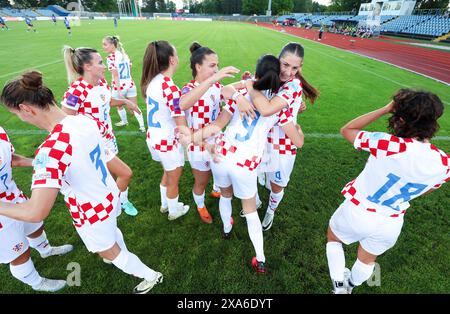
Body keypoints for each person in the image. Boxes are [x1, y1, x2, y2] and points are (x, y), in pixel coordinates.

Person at [0, 71, 163, 294]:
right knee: (112, 234)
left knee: (107, 250)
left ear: (26, 109)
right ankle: (116, 250)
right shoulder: (83, 120)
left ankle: (150, 276)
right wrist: (35, 163)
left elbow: (35, 211)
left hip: (90, 211)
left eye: (16, 114)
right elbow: (98, 161)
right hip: (108, 195)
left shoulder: (50, 150)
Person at [182, 54, 304, 274]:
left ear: (256, 73)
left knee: (225, 195)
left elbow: (217, 125)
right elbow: (295, 137)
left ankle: (227, 229)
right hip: (245, 163)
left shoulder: (240, 94)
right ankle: (260, 258)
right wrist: (299, 130)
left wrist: (191, 137)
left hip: (222, 155)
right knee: (250, 211)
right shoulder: (277, 104)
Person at [326, 89, 448, 294]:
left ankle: (339, 288)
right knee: (367, 259)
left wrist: (385, 109)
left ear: (400, 119)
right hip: (391, 221)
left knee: (334, 239)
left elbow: (348, 130)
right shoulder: (444, 163)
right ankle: (350, 287)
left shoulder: (388, 144)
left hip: (358, 211)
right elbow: (426, 191)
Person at [237, 43, 319, 232]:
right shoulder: (271, 76)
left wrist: (250, 86)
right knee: (253, 174)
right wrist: (244, 89)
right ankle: (256, 202)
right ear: (277, 60)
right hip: (261, 142)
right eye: (285, 65)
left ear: (300, 68)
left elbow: (266, 110)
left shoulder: (294, 85)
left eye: (295, 68)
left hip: (283, 147)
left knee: (276, 185)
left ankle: (271, 210)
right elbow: (251, 90)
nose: (289, 72)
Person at [61, 46, 140, 216]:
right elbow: (64, 121)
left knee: (113, 174)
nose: (104, 66)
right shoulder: (76, 91)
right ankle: (114, 205)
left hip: (108, 137)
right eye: (100, 62)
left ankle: (118, 202)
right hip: (92, 143)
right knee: (119, 173)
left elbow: (107, 101)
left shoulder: (102, 82)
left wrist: (126, 102)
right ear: (88, 67)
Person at [0, 126, 73, 292]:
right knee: (18, 254)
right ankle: (37, 283)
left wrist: (36, 162)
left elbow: (10, 158)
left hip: (14, 196)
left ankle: (45, 250)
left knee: (35, 226)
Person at [179, 42, 239, 224]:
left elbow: (223, 92)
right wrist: (212, 80)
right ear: (198, 67)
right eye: (212, 65)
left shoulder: (214, 86)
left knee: (220, 174)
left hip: (217, 139)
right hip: (197, 144)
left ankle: (217, 191)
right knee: (201, 182)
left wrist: (244, 82)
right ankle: (200, 205)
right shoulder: (189, 89)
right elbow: (183, 104)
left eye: (217, 65)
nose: (217, 69)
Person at [140, 40, 190, 220]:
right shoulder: (168, 86)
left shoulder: (153, 81)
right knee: (174, 178)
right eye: (175, 54)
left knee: (168, 173)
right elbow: (179, 120)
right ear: (172, 60)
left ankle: (164, 204)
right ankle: (174, 211)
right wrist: (192, 138)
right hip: (167, 140)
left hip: (154, 137)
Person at [103, 36, 146, 132]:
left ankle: (124, 121)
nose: (103, 47)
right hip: (130, 84)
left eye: (105, 44)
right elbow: (129, 68)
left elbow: (116, 75)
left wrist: (118, 90)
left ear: (112, 45)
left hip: (119, 86)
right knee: (134, 106)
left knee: (119, 105)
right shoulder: (124, 54)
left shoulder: (111, 57)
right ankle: (142, 126)